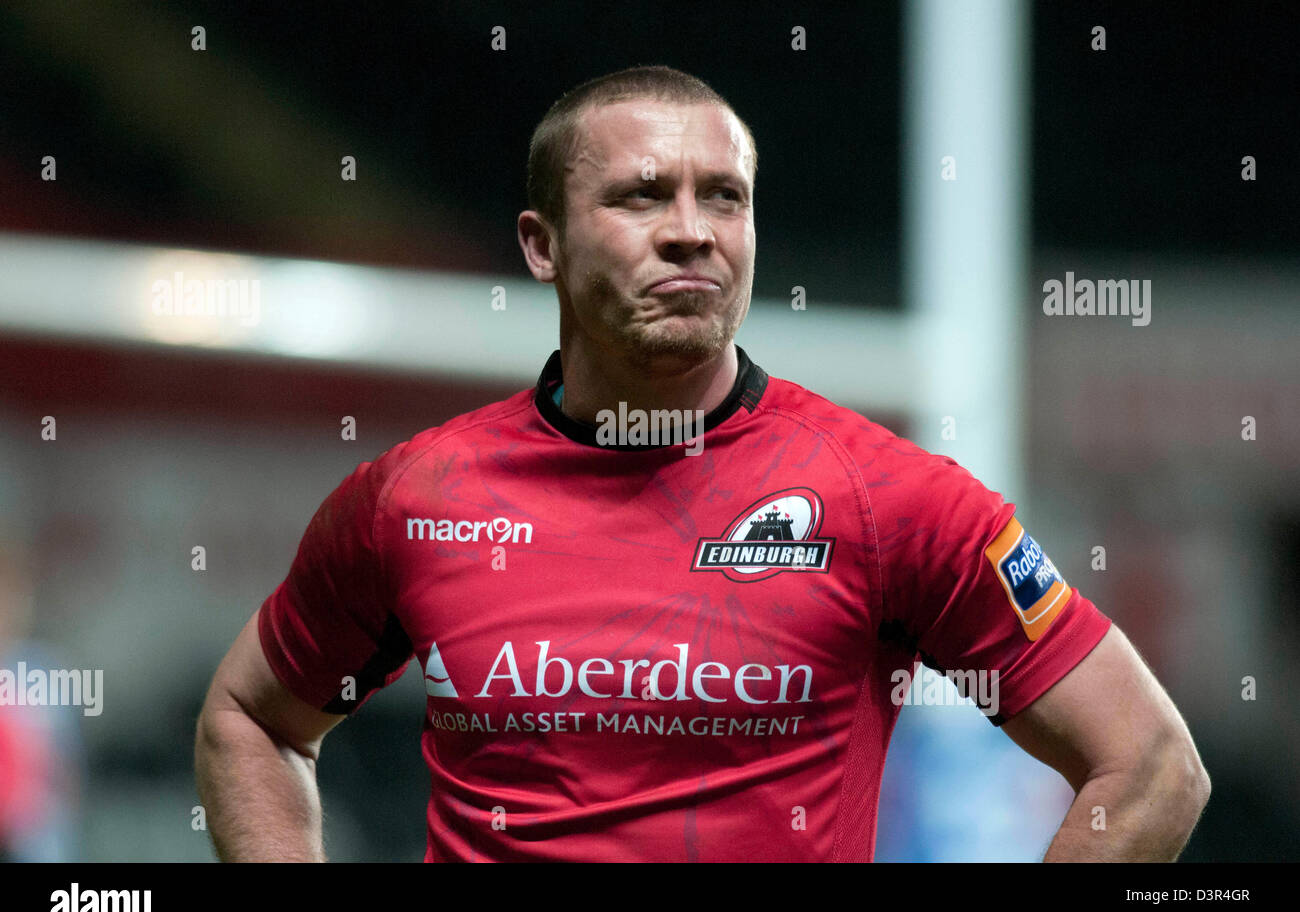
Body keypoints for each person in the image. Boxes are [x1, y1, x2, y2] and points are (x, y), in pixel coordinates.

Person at [194, 65, 1209, 862]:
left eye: (723, 196)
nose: (692, 232)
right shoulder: (415, 500)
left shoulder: (890, 499)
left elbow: (1151, 762)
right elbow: (250, 717)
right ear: (541, 245)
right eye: (643, 197)